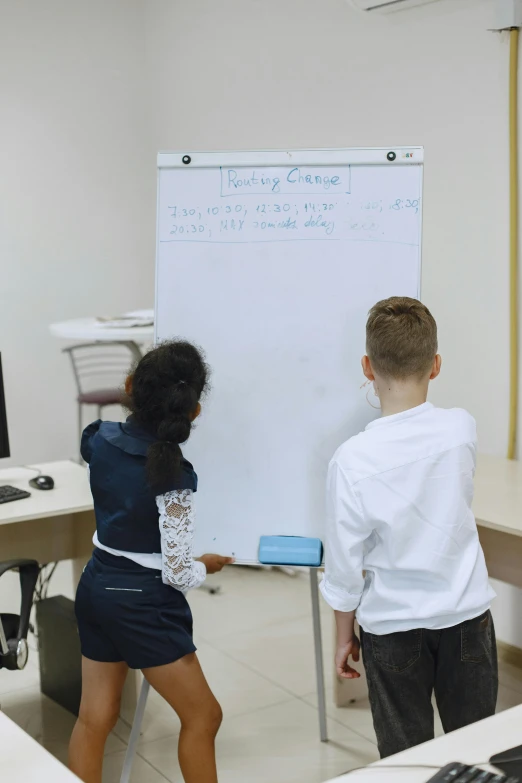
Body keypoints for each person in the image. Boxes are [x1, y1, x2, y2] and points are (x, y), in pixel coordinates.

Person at [320, 297, 497, 759]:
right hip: (467, 619)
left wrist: (343, 637)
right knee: (477, 751)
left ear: (367, 366)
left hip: (393, 628)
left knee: (405, 760)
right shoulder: (462, 428)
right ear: (435, 365)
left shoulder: (352, 460)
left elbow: (344, 567)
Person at [68, 340, 233, 783]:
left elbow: (129, 519)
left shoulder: (98, 438)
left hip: (97, 586)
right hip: (142, 604)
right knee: (204, 717)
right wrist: (203, 566)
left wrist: (190, 560)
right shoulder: (173, 475)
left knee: (94, 719)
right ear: (193, 411)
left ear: (128, 387)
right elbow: (177, 571)